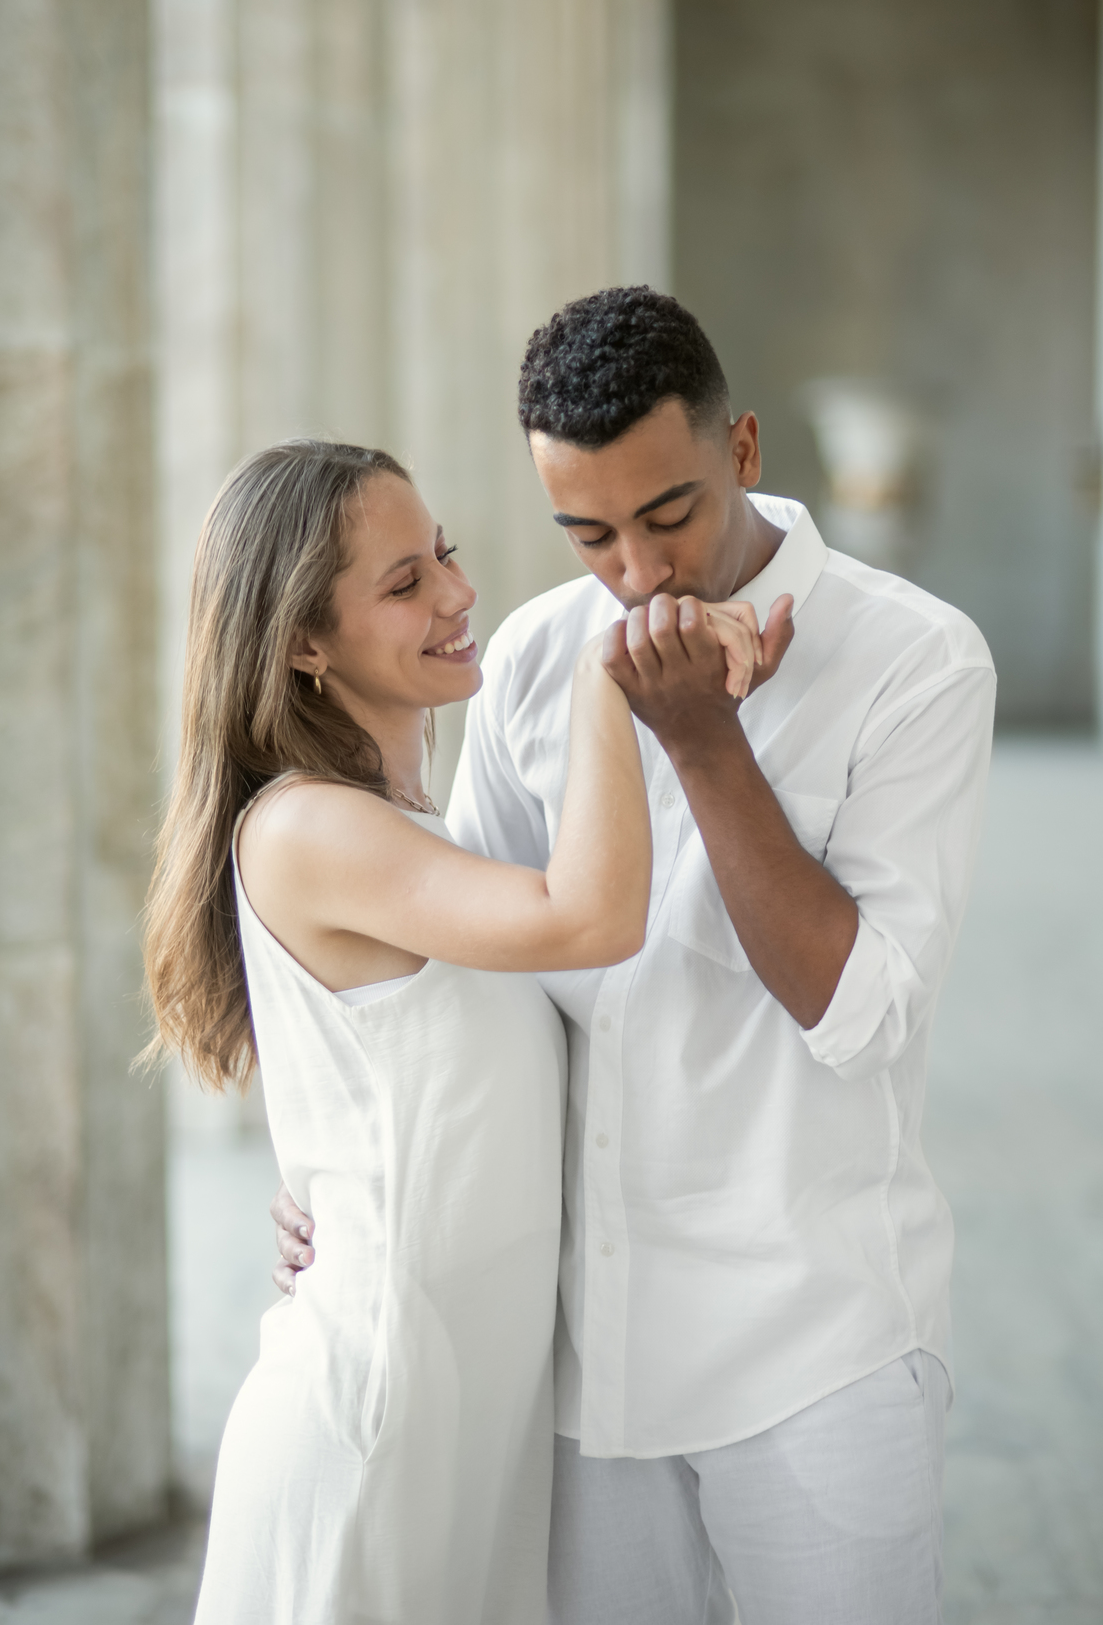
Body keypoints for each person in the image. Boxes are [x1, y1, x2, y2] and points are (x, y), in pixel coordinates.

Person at [274, 289, 997, 1625]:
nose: (640, 570)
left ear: (744, 448)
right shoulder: (535, 656)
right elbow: (475, 977)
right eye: (591, 533)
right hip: (580, 1366)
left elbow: (862, 1014)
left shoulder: (918, 661)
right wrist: (358, 1181)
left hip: (816, 1354)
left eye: (669, 515)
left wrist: (703, 745)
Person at [142, 437, 775, 1625]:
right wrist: (608, 677)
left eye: (443, 553)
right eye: (404, 582)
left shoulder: (420, 832)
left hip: (472, 1421)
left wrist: (340, 1182)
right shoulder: (305, 827)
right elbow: (591, 917)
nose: (458, 591)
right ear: (303, 643)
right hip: (376, 1418)